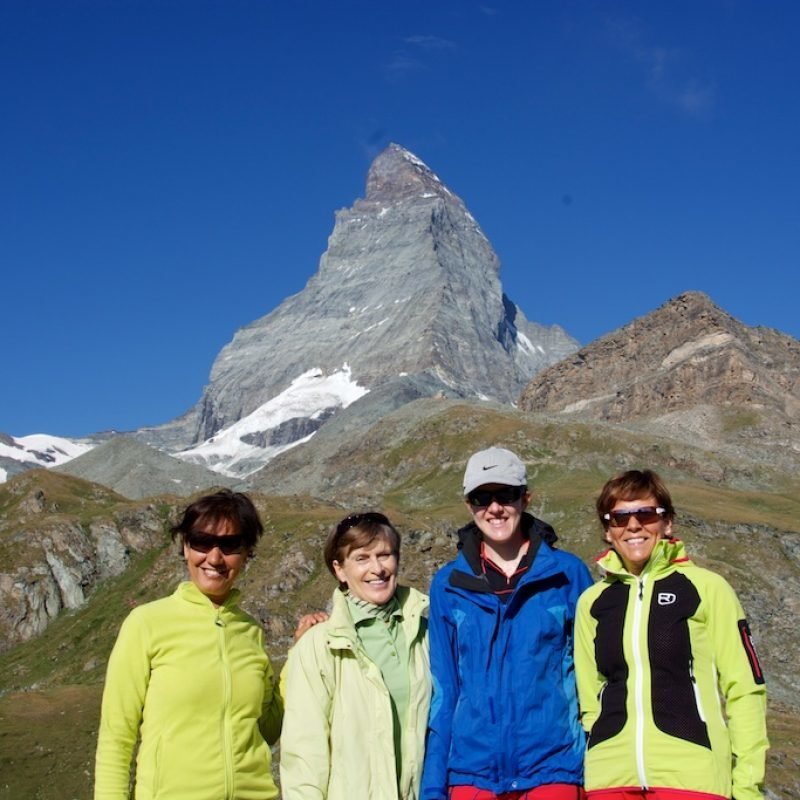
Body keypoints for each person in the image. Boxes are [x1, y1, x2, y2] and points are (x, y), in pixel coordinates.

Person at [575, 469, 768, 800]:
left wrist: (748, 786)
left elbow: (745, 689)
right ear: (608, 531)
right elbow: (590, 698)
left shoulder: (707, 588)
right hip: (610, 781)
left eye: (646, 514)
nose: (633, 525)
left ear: (667, 523)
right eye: (619, 518)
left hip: (693, 779)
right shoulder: (592, 602)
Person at [422, 447, 594, 800]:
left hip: (554, 770)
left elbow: (593, 681)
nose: (495, 507)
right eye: (482, 497)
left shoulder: (568, 574)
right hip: (471, 775)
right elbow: (444, 690)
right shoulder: (447, 585)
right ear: (469, 506)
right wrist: (433, 787)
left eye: (506, 495)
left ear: (526, 498)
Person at [94, 489, 282, 800]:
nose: (215, 557)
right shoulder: (146, 623)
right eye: (202, 541)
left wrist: (302, 655)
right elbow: (116, 736)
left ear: (247, 552)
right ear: (185, 547)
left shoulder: (251, 631)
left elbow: (264, 730)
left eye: (231, 544)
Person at [280, 511, 431, 800]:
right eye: (362, 558)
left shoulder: (425, 635)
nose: (377, 568)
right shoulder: (318, 645)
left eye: (385, 555)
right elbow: (304, 754)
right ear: (339, 570)